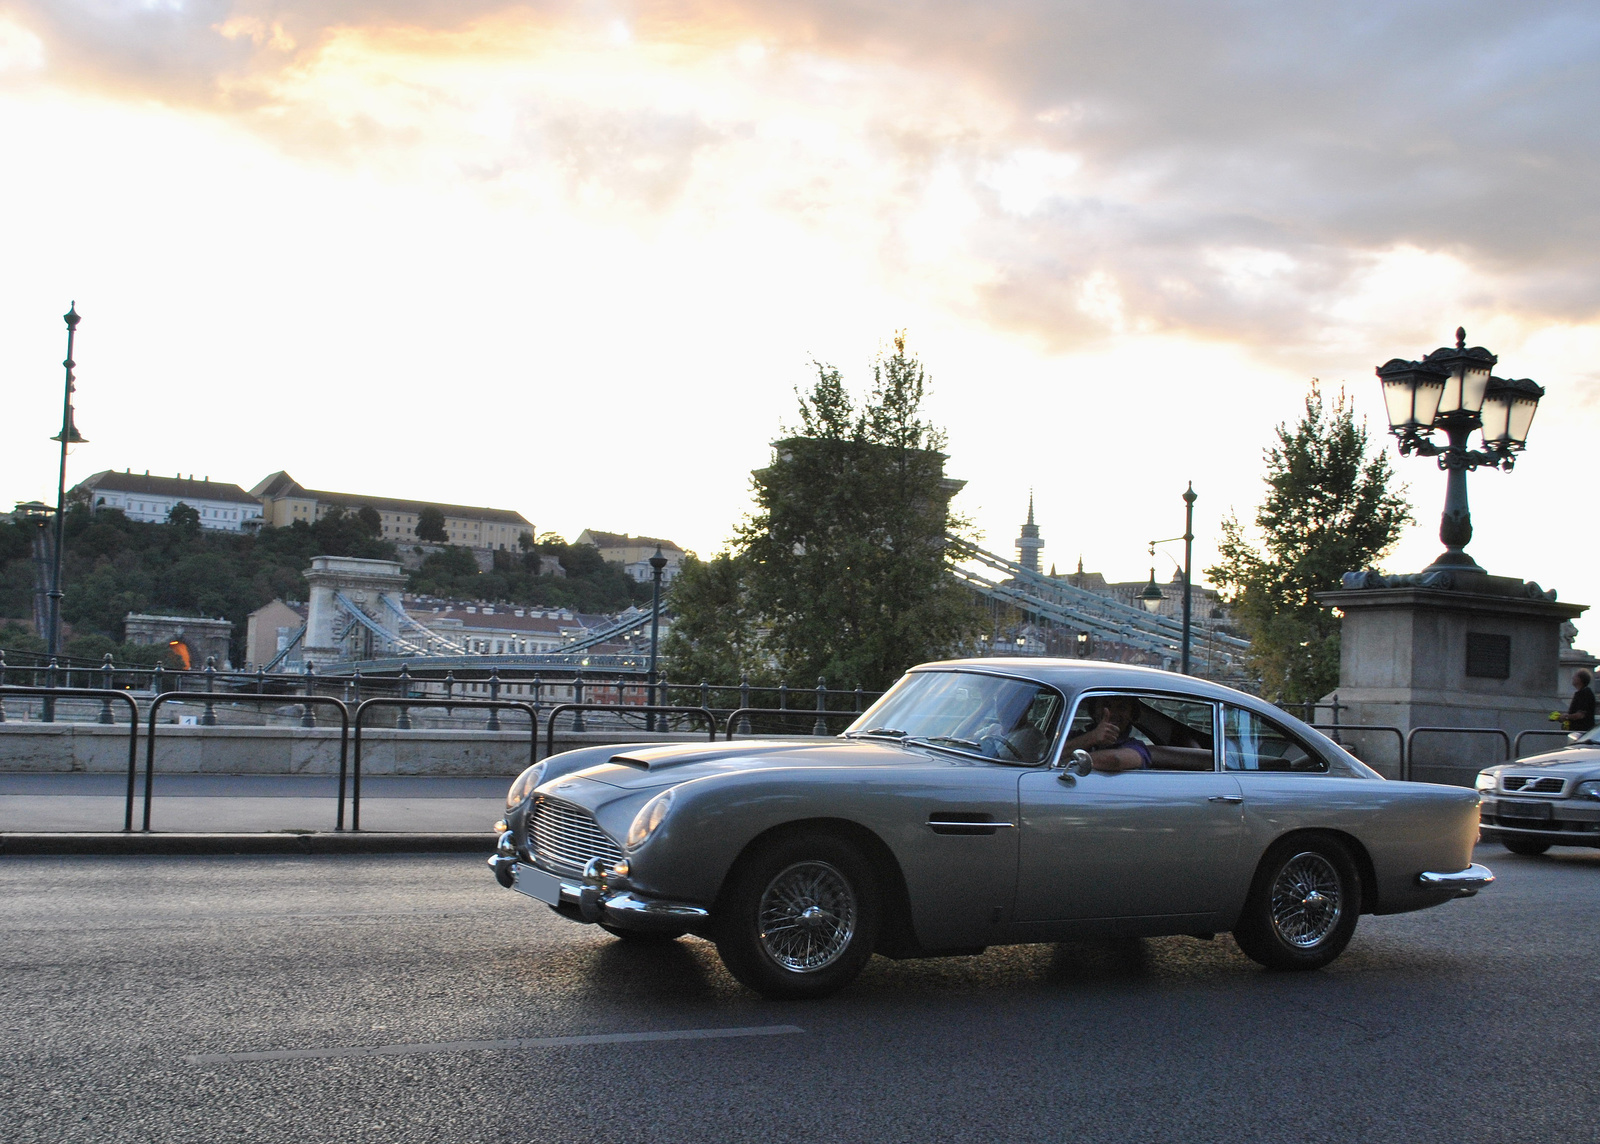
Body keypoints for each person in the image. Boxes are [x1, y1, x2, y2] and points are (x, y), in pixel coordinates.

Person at [1567, 669, 1596, 734]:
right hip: (1578, 732)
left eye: (1575, 676)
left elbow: (1580, 715)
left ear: (1580, 679)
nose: (1573, 678)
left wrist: (1565, 716)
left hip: (1581, 732)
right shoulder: (1582, 693)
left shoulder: (1585, 694)